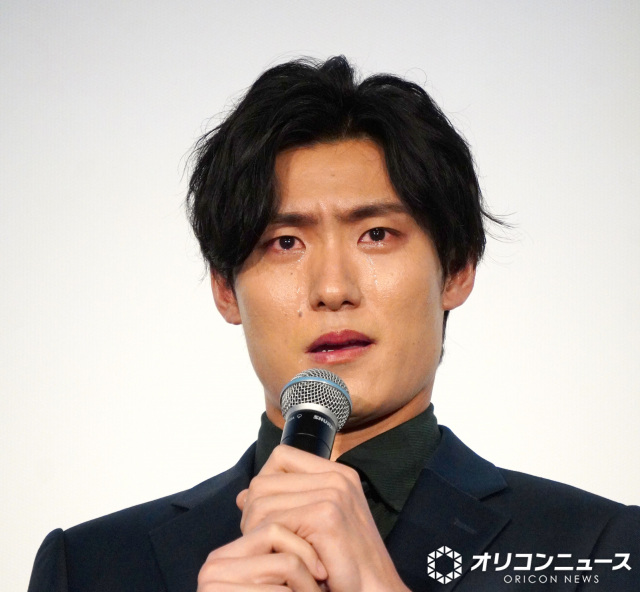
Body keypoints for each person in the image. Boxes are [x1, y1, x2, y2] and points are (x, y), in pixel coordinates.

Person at [28, 56, 639, 592]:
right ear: (224, 288)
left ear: (456, 269)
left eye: (377, 235)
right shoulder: (91, 565)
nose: (332, 290)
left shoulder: (598, 547)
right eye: (284, 242)